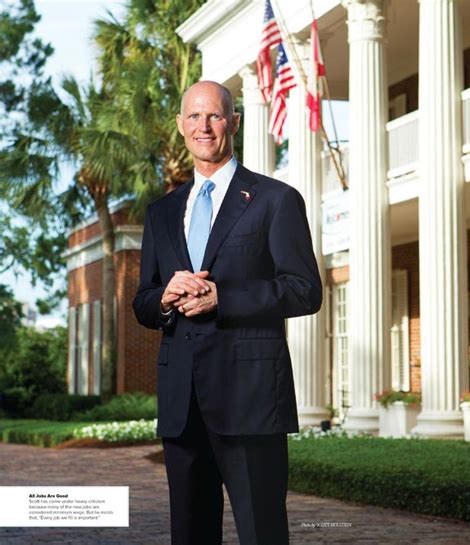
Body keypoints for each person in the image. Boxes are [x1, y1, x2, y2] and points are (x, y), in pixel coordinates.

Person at [133, 80, 322, 545]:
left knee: (263, 534)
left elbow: (304, 291)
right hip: (182, 405)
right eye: (194, 117)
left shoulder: (275, 200)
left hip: (251, 402)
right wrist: (163, 298)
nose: (204, 126)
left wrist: (224, 297)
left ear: (233, 122)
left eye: (214, 115)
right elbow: (142, 302)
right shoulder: (161, 212)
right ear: (180, 126)